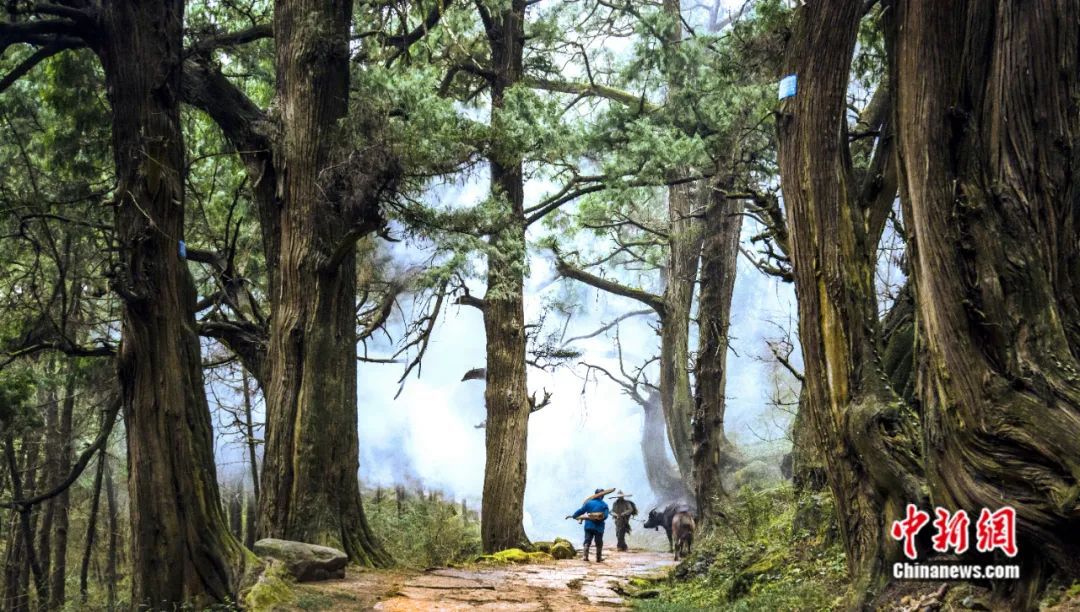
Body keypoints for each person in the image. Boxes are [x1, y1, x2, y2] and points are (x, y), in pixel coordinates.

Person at [570, 488, 611, 562]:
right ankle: (598, 558)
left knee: (587, 541)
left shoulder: (589, 503)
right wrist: (599, 518)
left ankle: (585, 557)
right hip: (599, 527)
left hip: (589, 525)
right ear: (603, 495)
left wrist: (574, 516)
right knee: (599, 542)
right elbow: (605, 516)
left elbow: (581, 510)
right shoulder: (604, 505)